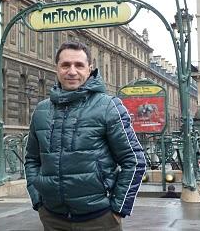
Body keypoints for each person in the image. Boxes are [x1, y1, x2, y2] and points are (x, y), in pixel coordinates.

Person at [24, 42, 146, 231]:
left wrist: (118, 209)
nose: (72, 71)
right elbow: (32, 160)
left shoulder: (108, 106)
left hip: (99, 219)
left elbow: (134, 160)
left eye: (79, 65)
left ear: (90, 69)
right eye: (65, 65)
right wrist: (37, 199)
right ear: (56, 68)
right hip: (52, 218)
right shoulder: (42, 110)